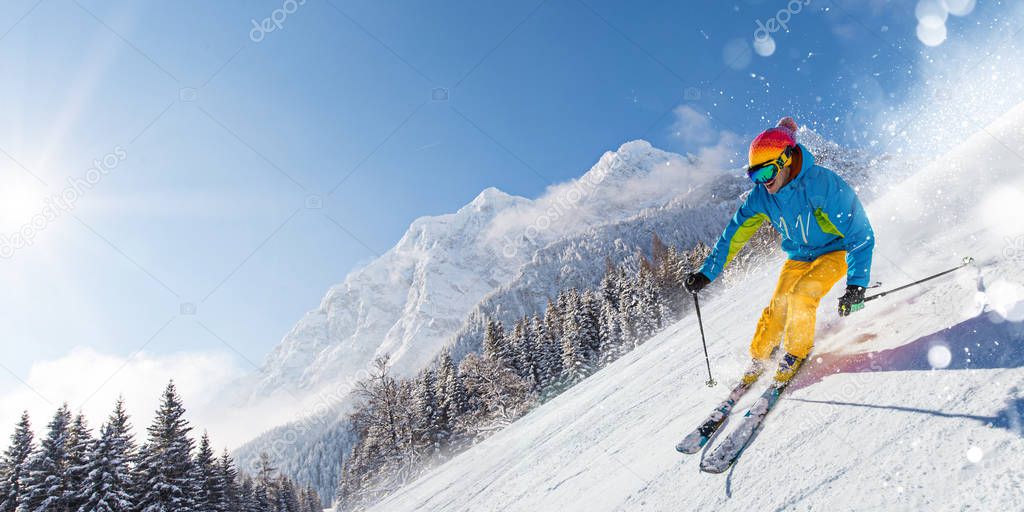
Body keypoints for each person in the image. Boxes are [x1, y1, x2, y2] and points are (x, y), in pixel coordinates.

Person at [684, 117, 874, 385]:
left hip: (835, 251)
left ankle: (796, 352)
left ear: (785, 160)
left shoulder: (821, 184)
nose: (762, 182)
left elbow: (860, 232)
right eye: (754, 176)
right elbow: (733, 236)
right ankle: (760, 355)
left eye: (765, 174)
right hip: (798, 255)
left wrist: (856, 284)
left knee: (801, 295)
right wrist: (706, 273)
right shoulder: (761, 196)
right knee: (778, 307)